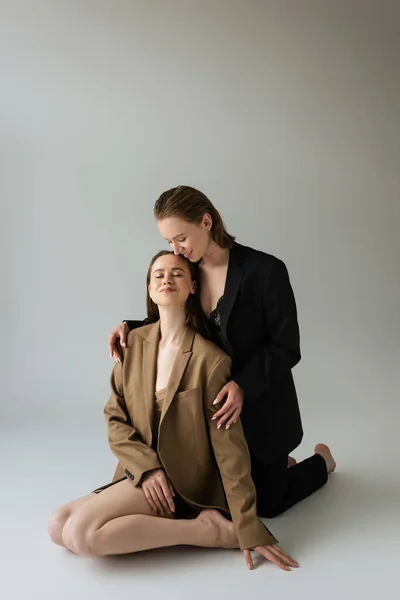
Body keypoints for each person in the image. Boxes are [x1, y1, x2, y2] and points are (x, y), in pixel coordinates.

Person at [49, 250, 299, 571]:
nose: (167, 279)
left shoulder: (211, 360)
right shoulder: (131, 346)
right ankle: (175, 510)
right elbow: (115, 418)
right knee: (58, 526)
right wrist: (147, 468)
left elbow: (229, 447)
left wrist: (247, 524)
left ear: (193, 287)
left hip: (182, 484)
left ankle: (204, 531)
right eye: (158, 275)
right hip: (142, 471)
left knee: (81, 534)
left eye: (178, 274)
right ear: (151, 290)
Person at [108, 186, 336, 520]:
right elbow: (172, 318)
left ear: (206, 221)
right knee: (216, 500)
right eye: (169, 241)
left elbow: (286, 346)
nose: (175, 250)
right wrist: (129, 325)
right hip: (209, 418)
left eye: (180, 238)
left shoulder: (266, 271)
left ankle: (321, 462)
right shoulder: (189, 271)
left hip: (260, 411)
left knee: (268, 506)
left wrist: (242, 385)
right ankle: (277, 469)